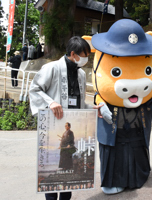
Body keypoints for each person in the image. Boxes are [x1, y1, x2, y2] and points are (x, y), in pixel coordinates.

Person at [29, 36, 100, 200]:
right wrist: (51, 102)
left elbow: (80, 103)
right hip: (55, 122)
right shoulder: (51, 68)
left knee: (70, 176)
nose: (86, 59)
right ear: (73, 54)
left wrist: (91, 108)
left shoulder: (81, 74)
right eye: (84, 55)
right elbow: (35, 89)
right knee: (53, 173)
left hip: (73, 122)